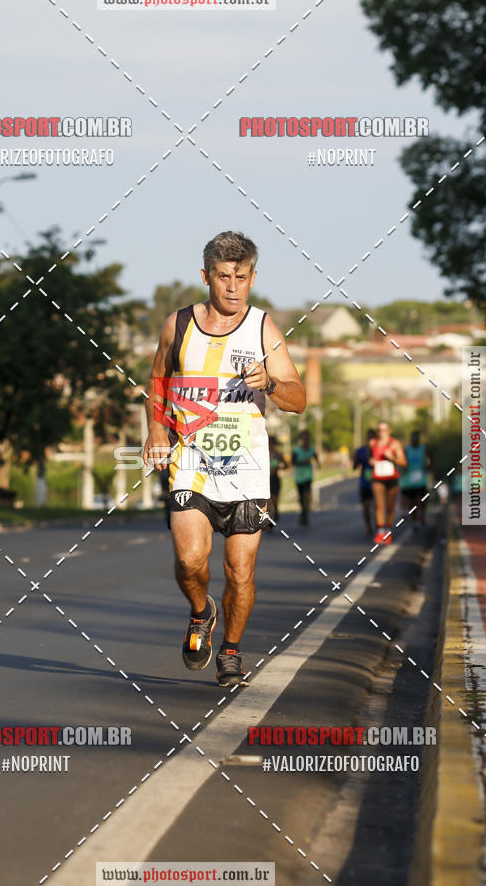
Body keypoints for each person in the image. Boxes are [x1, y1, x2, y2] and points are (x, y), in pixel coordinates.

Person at [142, 231, 306, 687]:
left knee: (240, 571)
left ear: (253, 277)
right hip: (190, 460)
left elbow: (298, 398)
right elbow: (158, 379)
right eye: (223, 277)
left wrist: (270, 385)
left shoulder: (263, 329)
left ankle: (231, 651)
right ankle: (201, 611)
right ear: (205, 277)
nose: (232, 287)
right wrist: (157, 428)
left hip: (246, 469)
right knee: (190, 560)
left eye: (241, 277)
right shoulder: (178, 325)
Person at [369, 421, 407, 544]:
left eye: (384, 430)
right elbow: (370, 458)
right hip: (378, 478)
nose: (382, 433)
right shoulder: (373, 443)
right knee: (379, 505)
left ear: (389, 430)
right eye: (379, 430)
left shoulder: (394, 444)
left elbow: (403, 462)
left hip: (392, 478)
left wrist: (391, 457)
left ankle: (387, 530)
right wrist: (372, 461)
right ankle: (380, 531)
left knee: (390, 507)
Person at [400, 431, 431, 528]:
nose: (414, 441)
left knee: (422, 500)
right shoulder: (407, 450)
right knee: (411, 502)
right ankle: (415, 520)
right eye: (413, 439)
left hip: (422, 479)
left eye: (416, 439)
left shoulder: (424, 448)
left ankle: (422, 515)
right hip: (410, 480)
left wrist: (428, 466)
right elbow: (403, 463)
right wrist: (403, 472)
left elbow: (430, 460)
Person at [290, 430, 319, 526]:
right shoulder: (297, 450)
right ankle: (303, 514)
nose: (305, 440)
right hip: (299, 477)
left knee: (307, 496)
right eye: (304, 438)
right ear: (301, 439)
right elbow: (293, 462)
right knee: (302, 497)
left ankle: (305, 514)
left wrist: (318, 465)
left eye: (307, 438)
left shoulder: (312, 450)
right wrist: (303, 462)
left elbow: (316, 460)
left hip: (308, 476)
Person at [353, 428, 377, 536]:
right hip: (365, 482)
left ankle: (379, 523)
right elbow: (355, 466)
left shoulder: (379, 449)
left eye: (372, 437)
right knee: (366, 507)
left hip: (377, 481)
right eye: (368, 437)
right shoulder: (360, 451)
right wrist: (355, 459)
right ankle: (368, 527)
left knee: (377, 505)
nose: (370, 440)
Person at [268, 435, 286, 528]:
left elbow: (286, 465)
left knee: (274, 499)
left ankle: (276, 512)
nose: (269, 445)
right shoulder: (263, 454)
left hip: (275, 479)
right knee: (268, 500)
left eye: (271, 443)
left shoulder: (278, 454)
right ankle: (270, 520)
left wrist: (279, 467)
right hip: (266, 480)